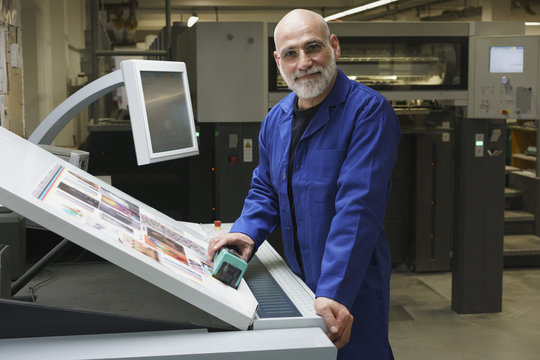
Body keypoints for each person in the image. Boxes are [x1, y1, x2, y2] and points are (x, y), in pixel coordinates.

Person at [208, 9, 400, 360]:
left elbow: (358, 208)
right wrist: (247, 231)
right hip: (298, 279)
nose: (304, 62)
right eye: (291, 53)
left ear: (334, 47)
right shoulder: (276, 119)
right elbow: (266, 188)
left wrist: (335, 291)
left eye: (313, 48)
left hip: (352, 283)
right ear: (278, 60)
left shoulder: (368, 113)